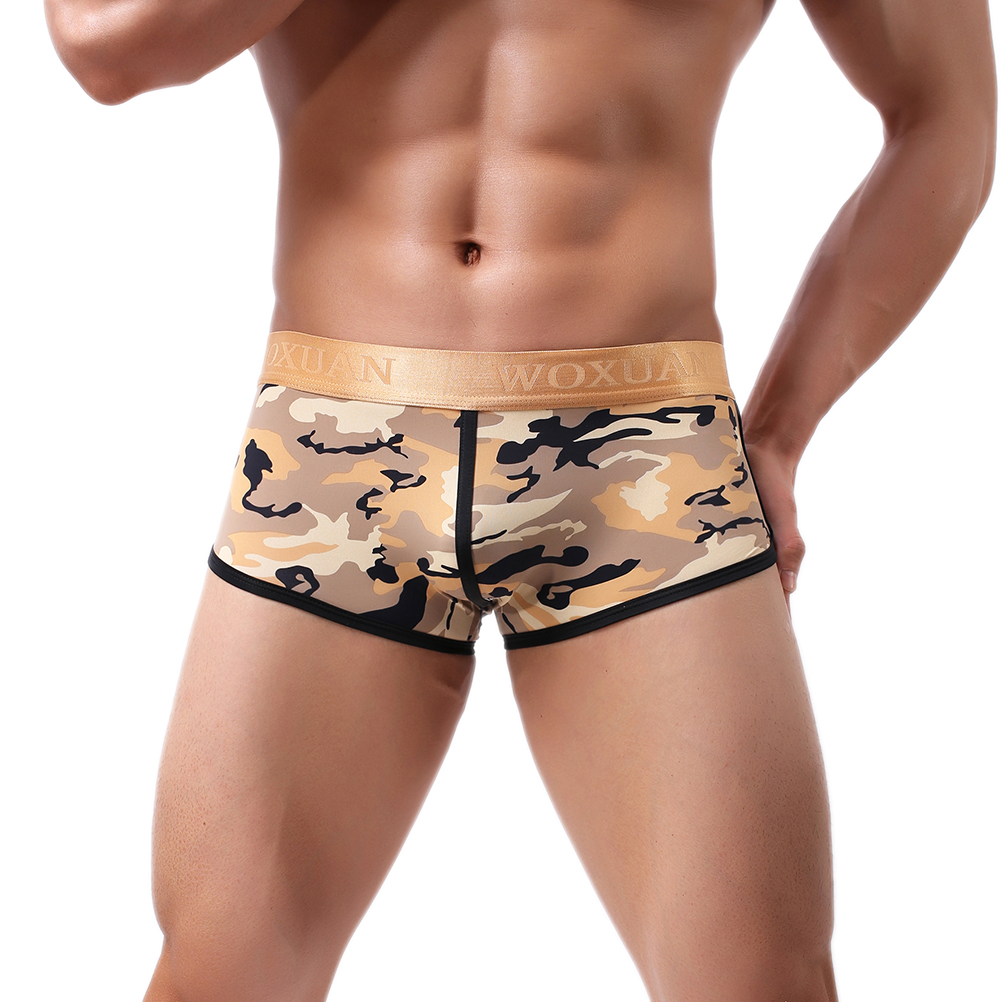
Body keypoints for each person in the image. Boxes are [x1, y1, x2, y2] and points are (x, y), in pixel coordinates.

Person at [42, 0, 995, 999]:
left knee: (758, 981)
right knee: (222, 973)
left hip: (641, 455)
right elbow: (104, 44)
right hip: (337, 445)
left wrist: (783, 429)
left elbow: (949, 113)